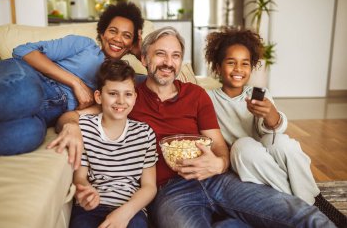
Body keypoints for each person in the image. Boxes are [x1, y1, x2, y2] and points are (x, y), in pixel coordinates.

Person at [55, 26, 336, 228]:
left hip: (219, 181)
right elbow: (79, 115)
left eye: (176, 56)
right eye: (161, 54)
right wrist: (69, 126)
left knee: (301, 215)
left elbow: (217, 144)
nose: (168, 62)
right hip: (169, 192)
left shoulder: (196, 94)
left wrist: (219, 163)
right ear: (144, 58)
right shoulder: (128, 96)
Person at [0, 1, 143, 163]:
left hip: (41, 113)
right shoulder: (84, 45)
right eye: (113, 31)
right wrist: (75, 82)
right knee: (28, 95)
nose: (118, 39)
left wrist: (140, 53)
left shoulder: (120, 80)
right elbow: (23, 51)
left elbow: (157, 82)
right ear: (103, 33)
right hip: (22, 78)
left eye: (127, 36)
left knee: (30, 134)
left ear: (131, 43)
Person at [204, 28, 347, 227]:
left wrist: (268, 113)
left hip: (268, 157)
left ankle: (315, 200)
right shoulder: (207, 99)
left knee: (283, 143)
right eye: (231, 63)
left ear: (251, 67)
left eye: (245, 63)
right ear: (218, 67)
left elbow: (272, 131)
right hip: (244, 161)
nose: (238, 69)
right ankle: (304, 205)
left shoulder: (258, 94)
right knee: (243, 145)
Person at [69, 59, 157, 228]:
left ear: (135, 97)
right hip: (91, 209)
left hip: (131, 209)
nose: (121, 101)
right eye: (113, 93)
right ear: (98, 97)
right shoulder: (85, 127)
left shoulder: (145, 133)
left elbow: (149, 187)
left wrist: (126, 212)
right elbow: (80, 177)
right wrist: (85, 191)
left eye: (128, 94)